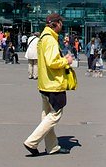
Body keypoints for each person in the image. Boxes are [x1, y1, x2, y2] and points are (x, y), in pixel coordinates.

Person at [23, 14, 75, 157]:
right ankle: (32, 142)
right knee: (56, 114)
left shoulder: (43, 38)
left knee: (46, 115)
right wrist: (66, 60)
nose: (62, 26)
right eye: (61, 23)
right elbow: (52, 62)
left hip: (44, 83)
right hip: (53, 83)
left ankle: (52, 147)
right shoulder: (50, 40)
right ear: (57, 24)